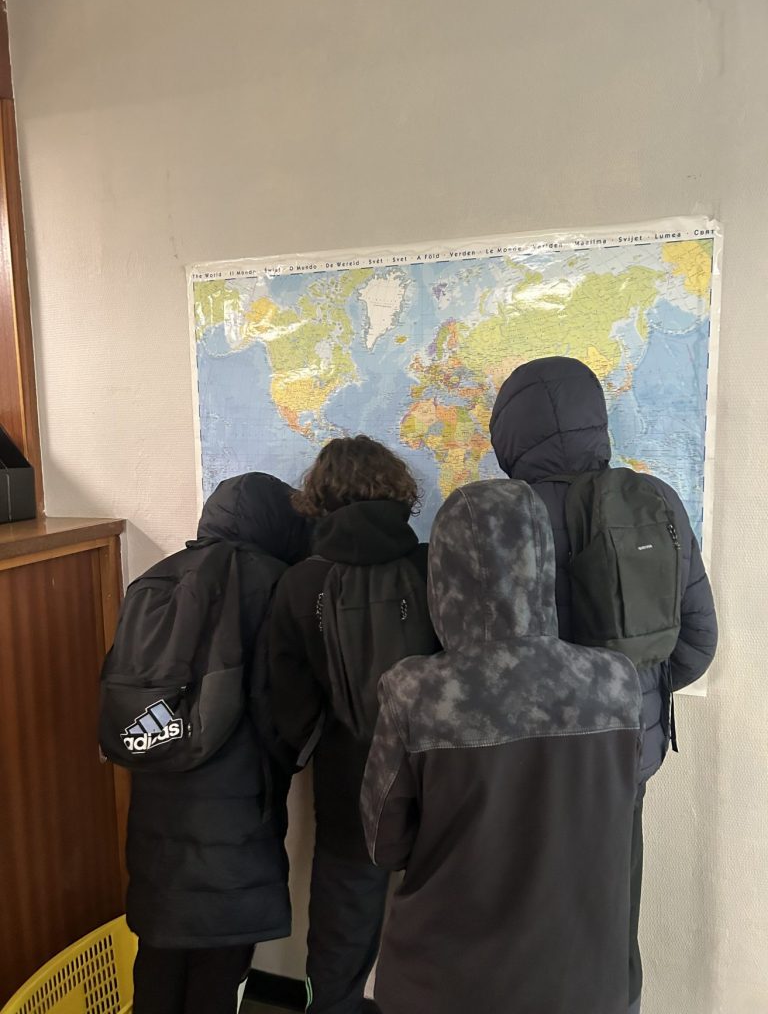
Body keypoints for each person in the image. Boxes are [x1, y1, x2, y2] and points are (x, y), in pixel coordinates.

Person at [489, 355, 719, 1013]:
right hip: (623, 754)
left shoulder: (497, 515)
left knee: (524, 922)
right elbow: (696, 641)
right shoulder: (654, 501)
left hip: (525, 761)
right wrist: (637, 695)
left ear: (510, 430)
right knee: (614, 917)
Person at [361, 479, 643, 1014]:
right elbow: (619, 815)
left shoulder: (415, 692)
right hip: (586, 982)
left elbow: (384, 845)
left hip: (446, 986)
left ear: (444, 571)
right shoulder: (616, 681)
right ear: (543, 561)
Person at [126, 473, 310, 1014]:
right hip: (238, 810)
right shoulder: (276, 585)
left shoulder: (152, 582)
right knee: (220, 963)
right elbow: (284, 714)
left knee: (159, 951)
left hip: (157, 805)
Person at [270, 435, 436, 1014]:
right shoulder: (432, 566)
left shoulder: (300, 583)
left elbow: (286, 703)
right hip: (435, 772)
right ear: (397, 490)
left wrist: (312, 746)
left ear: (319, 498)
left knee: (341, 924)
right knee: (436, 913)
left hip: (348, 780)